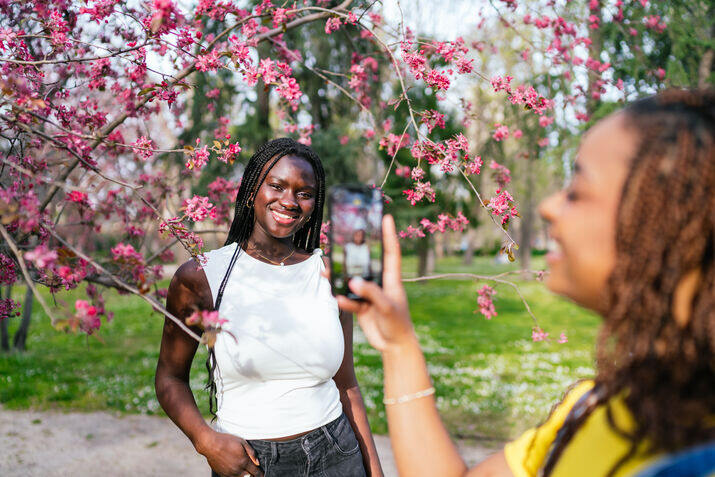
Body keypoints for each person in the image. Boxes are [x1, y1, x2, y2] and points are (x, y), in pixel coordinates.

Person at [338, 89, 714, 477]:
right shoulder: (594, 409)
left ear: (668, 223)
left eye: (578, 191)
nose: (549, 206)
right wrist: (398, 345)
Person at [155, 138, 383, 477]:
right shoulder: (203, 276)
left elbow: (346, 384)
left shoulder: (327, 274)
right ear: (251, 191)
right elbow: (170, 378)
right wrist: (206, 441)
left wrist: (375, 472)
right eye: (276, 186)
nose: (289, 201)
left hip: (336, 454)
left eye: (304, 193)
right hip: (250, 461)